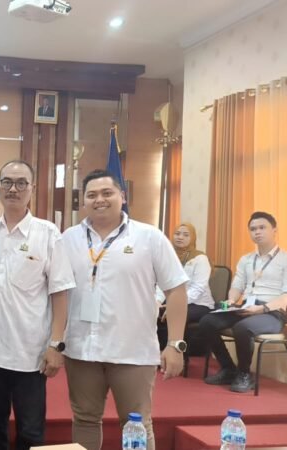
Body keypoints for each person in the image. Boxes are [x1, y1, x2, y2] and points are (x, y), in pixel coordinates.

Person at [61, 169, 189, 450]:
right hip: (82, 349)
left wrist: (175, 345)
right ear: (83, 202)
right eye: (92, 195)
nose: (100, 200)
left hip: (132, 350)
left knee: (137, 424)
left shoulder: (149, 237)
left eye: (107, 193)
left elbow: (176, 290)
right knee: (84, 419)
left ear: (122, 196)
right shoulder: (68, 239)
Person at [0, 160, 76, 450]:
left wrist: (56, 345)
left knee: (31, 431)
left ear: (32, 189)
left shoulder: (48, 234)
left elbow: (60, 294)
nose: (14, 188)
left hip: (30, 353)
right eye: (7, 182)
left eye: (21, 183)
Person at [198, 211, 287, 393]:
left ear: (274, 230)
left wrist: (262, 308)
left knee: (243, 328)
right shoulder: (246, 259)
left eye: (262, 228)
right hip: (246, 308)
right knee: (207, 322)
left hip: (271, 313)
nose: (257, 232)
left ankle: (244, 374)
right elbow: (237, 286)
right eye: (253, 229)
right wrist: (231, 301)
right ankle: (228, 368)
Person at [156, 222, 215, 351]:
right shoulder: (169, 257)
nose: (180, 237)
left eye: (185, 235)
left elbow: (198, 288)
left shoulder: (200, 258)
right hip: (172, 300)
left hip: (199, 304)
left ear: (192, 238)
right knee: (153, 312)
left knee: (174, 315)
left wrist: (176, 305)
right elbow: (163, 284)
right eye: (177, 234)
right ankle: (157, 354)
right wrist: (157, 301)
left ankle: (179, 356)